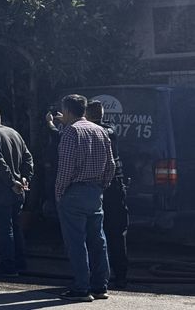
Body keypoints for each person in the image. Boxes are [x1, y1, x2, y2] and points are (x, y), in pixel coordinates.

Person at [55, 94, 116, 302]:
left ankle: (82, 287)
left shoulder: (71, 132)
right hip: (95, 191)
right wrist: (102, 186)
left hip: (74, 191)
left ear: (69, 111)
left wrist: (60, 193)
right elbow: (111, 165)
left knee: (76, 241)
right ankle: (100, 286)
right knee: (98, 240)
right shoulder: (100, 130)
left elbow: (65, 168)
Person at [0, 105, 33, 277]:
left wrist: (11, 182)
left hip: (2, 189)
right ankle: (21, 262)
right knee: (16, 227)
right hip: (19, 189)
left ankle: (8, 266)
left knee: (4, 228)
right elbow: (28, 157)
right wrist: (25, 177)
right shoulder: (14, 133)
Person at [86, 100, 129, 289]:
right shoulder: (109, 130)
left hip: (105, 190)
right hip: (112, 189)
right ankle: (115, 276)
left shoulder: (102, 131)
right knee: (112, 234)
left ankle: (108, 276)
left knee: (102, 233)